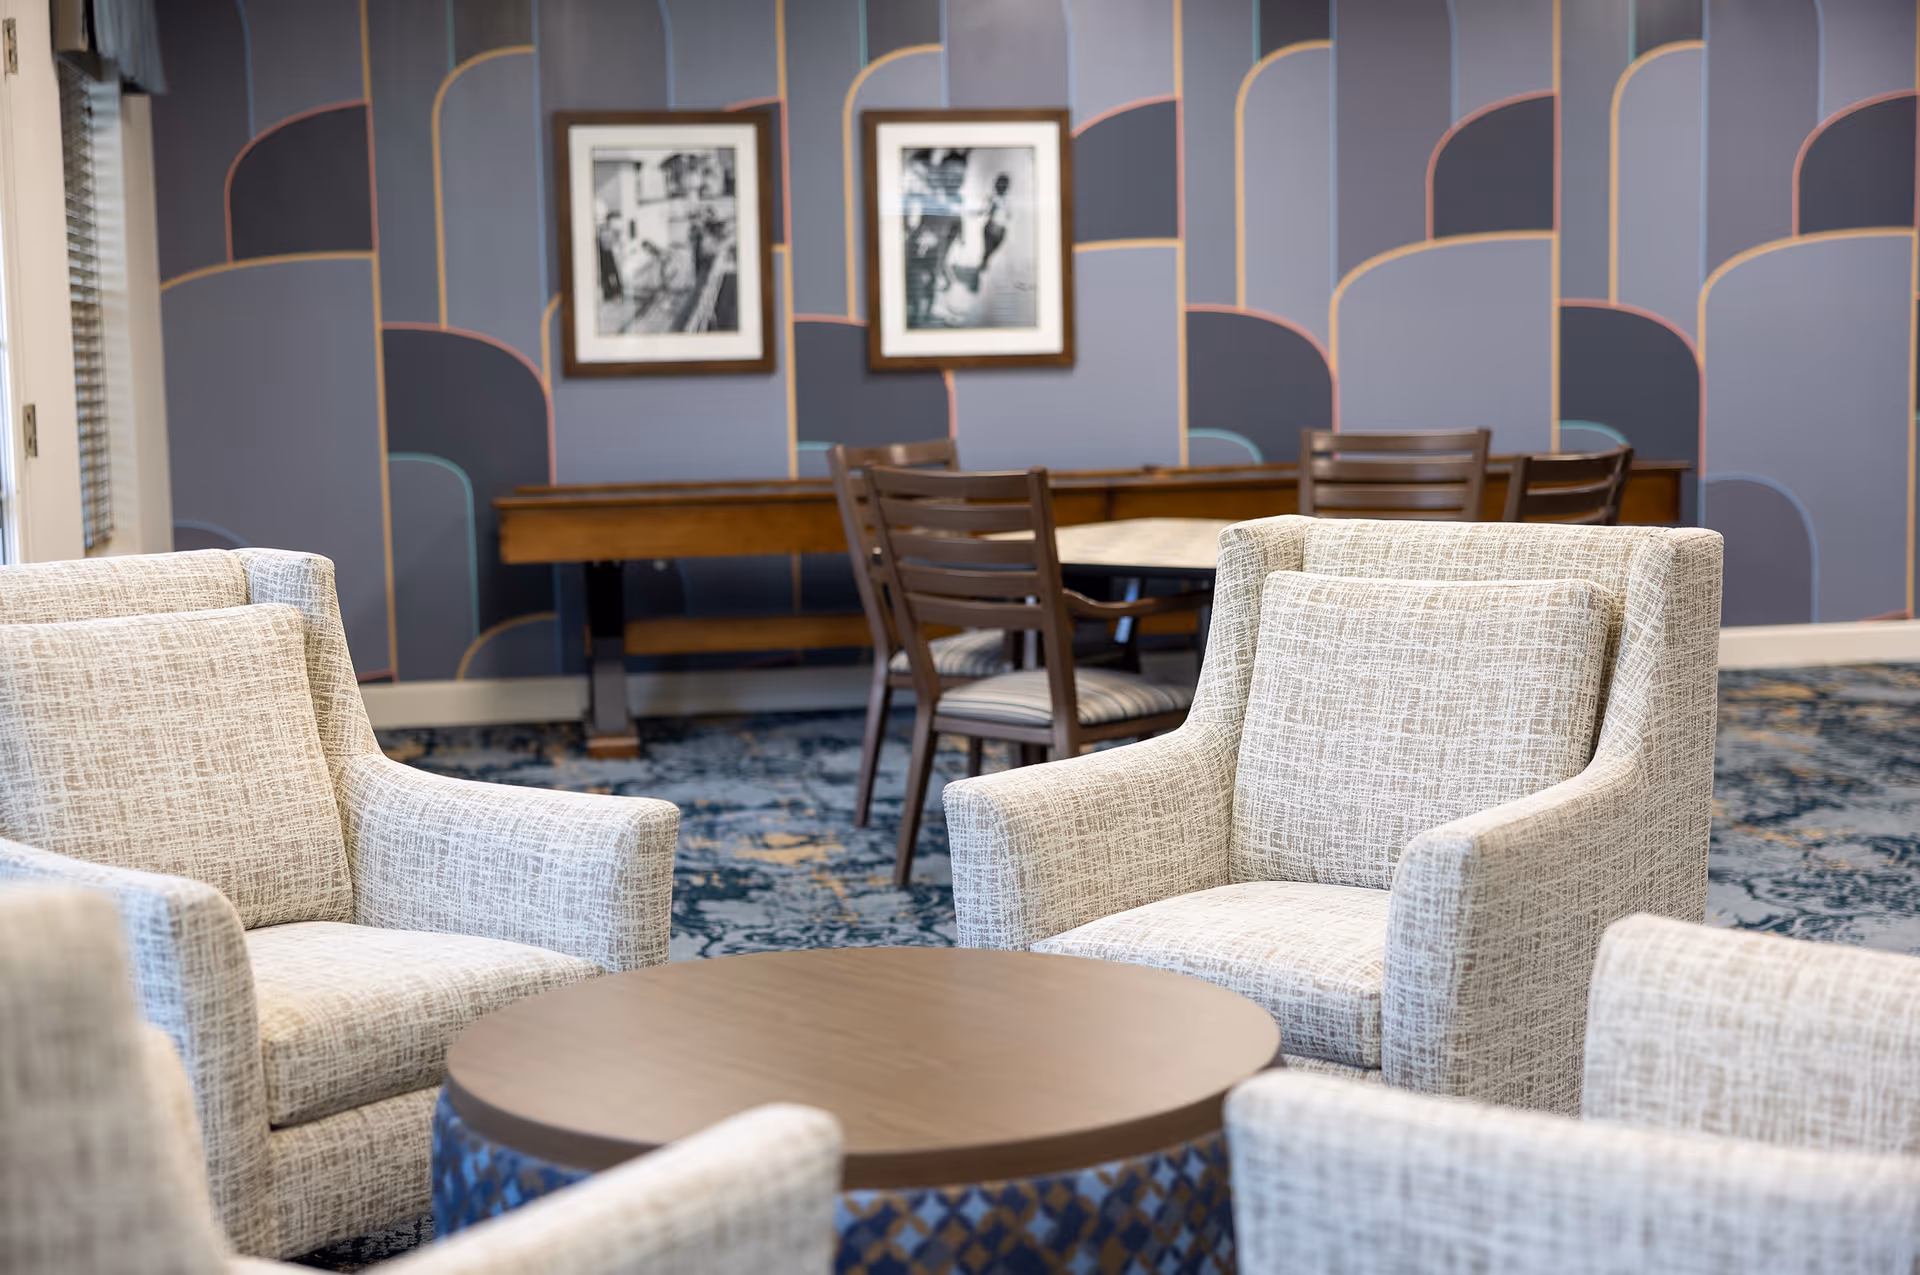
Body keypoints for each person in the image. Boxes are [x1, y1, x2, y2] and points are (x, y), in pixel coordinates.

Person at [971, 173, 1011, 291]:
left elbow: (1008, 216)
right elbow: (985, 210)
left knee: (987, 255)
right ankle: (977, 279)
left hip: (1000, 231)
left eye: (1004, 185)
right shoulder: (994, 198)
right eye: (1000, 184)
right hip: (992, 229)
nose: (1001, 187)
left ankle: (979, 274)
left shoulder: (1006, 200)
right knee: (986, 254)